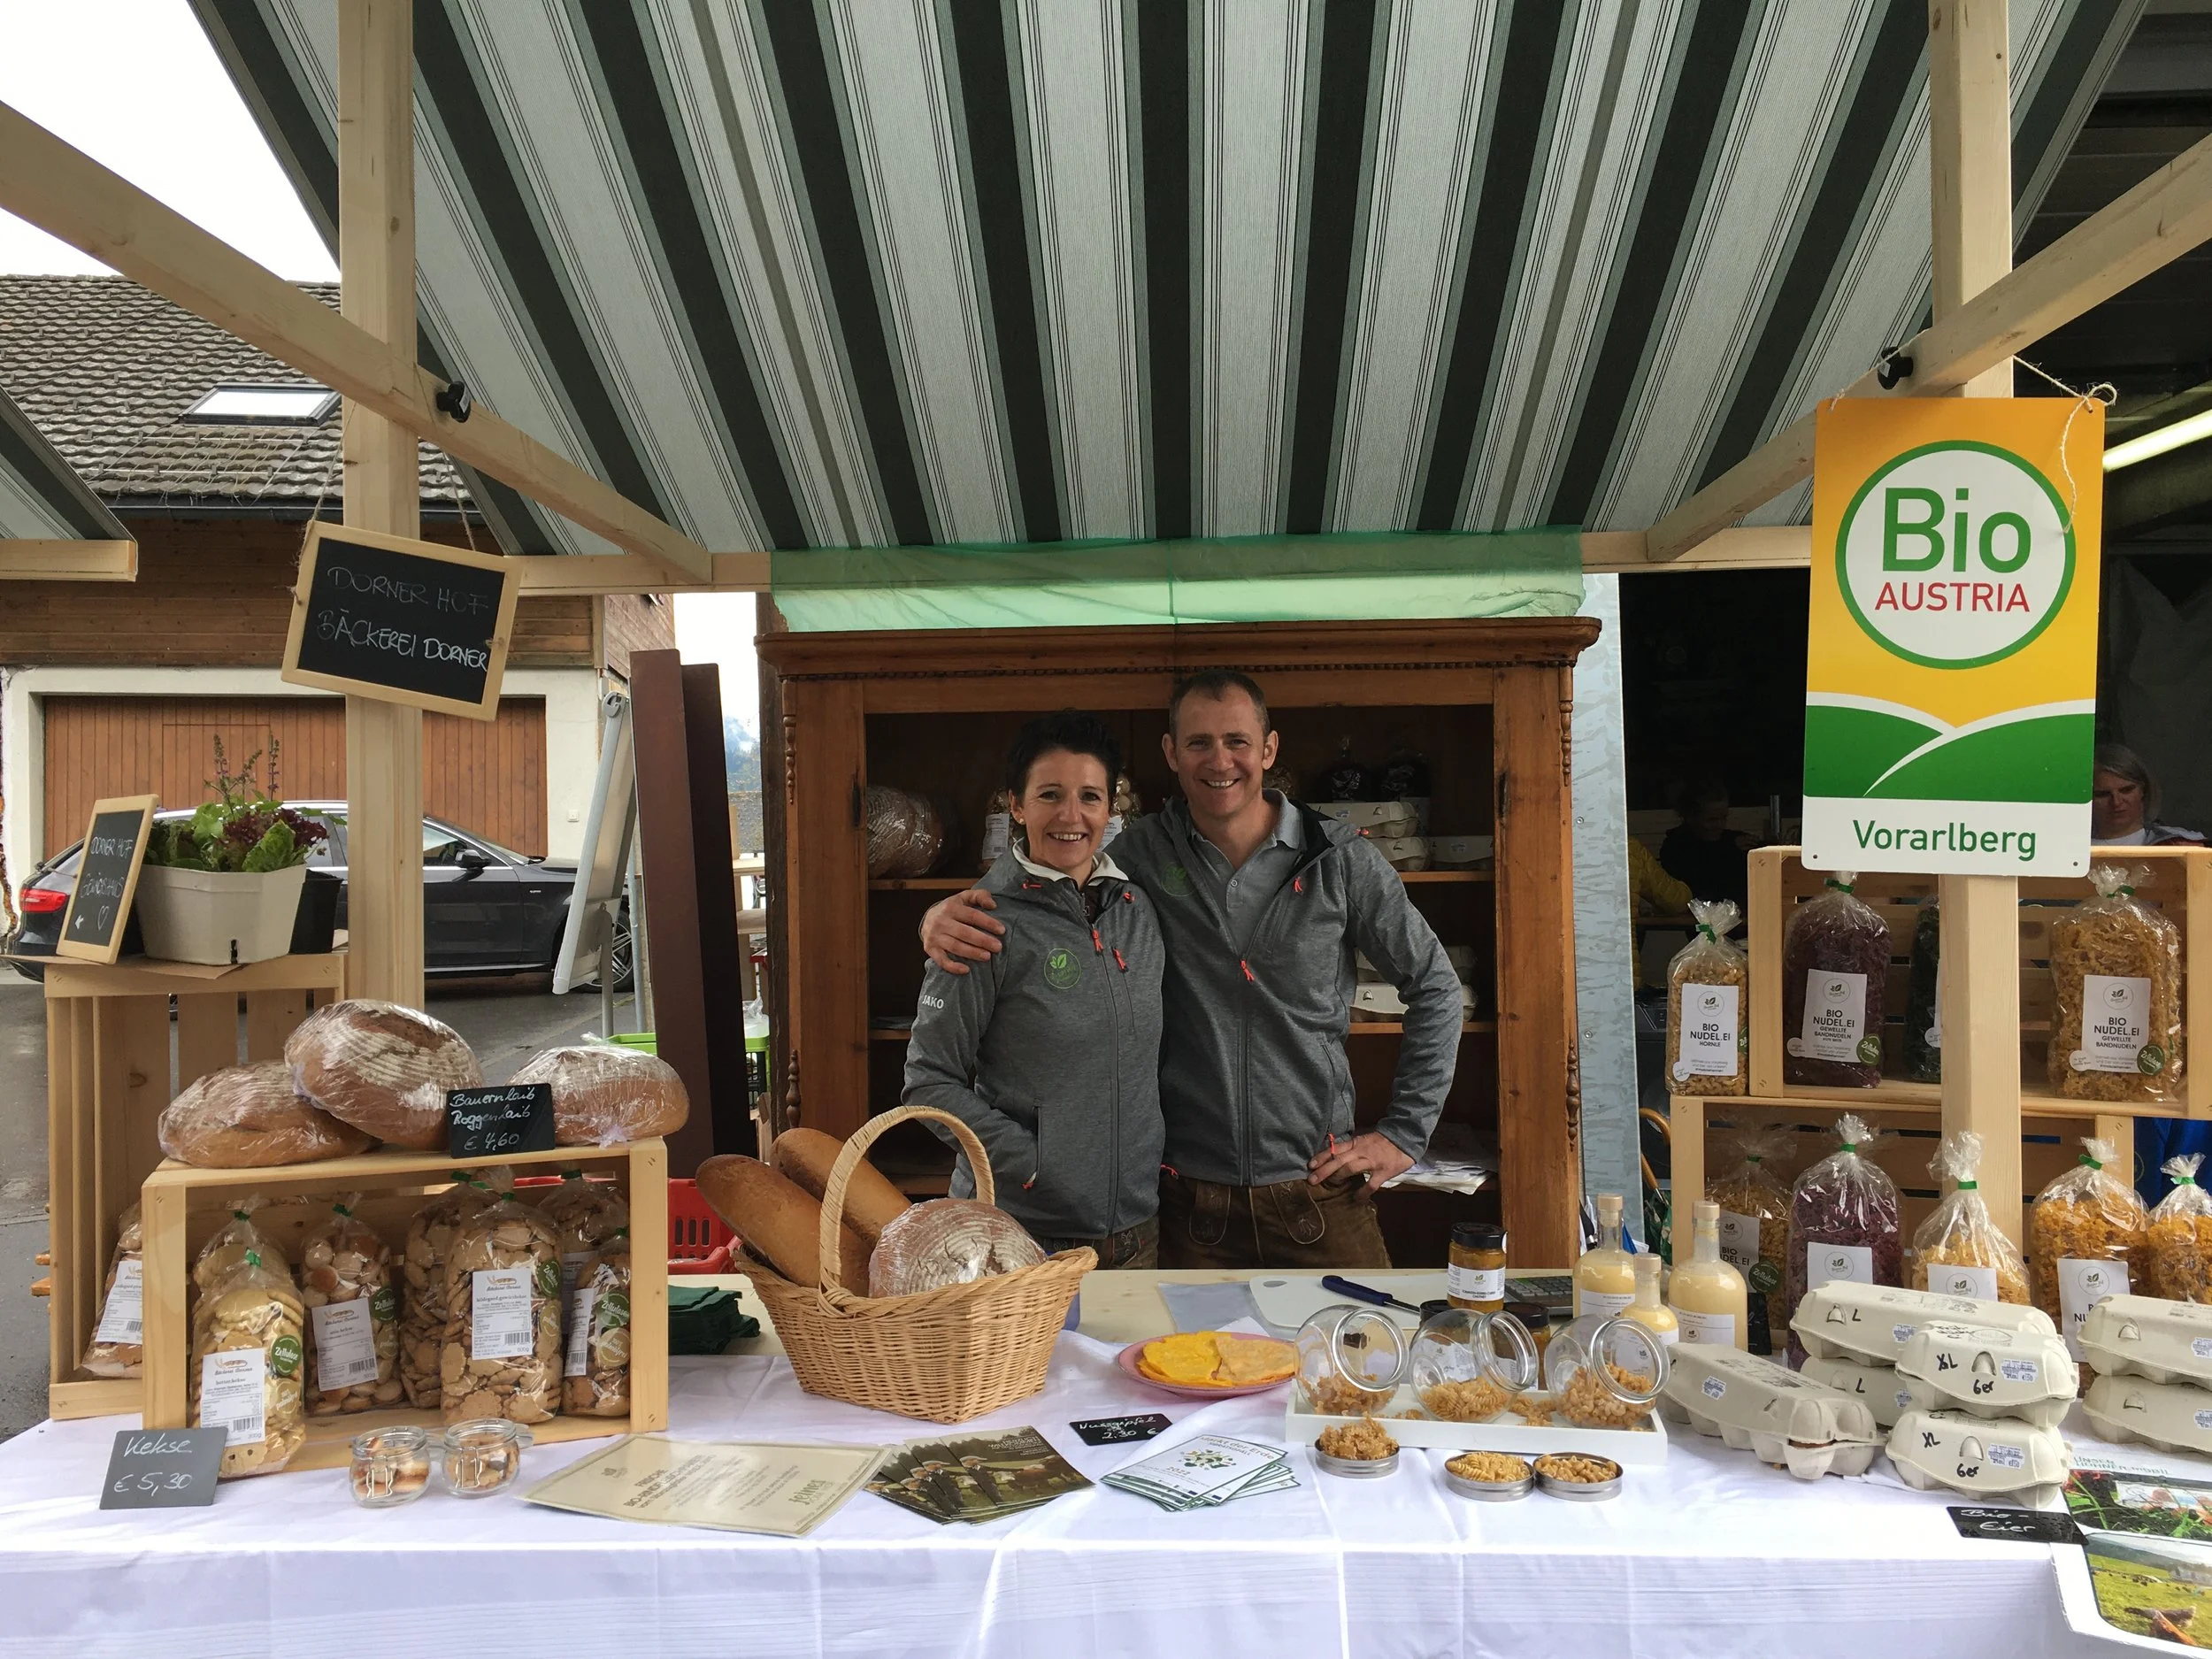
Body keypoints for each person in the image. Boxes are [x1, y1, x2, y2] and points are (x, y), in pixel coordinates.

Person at [922, 670, 1460, 1270]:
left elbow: (1436, 985)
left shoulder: (1339, 859)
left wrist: (1405, 1133)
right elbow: (1046, 877)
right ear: (1171, 754)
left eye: (1237, 740)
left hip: (1320, 1195)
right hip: (1184, 1211)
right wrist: (939, 915)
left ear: (1269, 749)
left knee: (1367, 1356)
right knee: (1162, 1364)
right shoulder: (1138, 858)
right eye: (1199, 743)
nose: (1220, 760)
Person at [902, 710, 1165, 1267]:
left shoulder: (1137, 910)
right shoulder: (980, 922)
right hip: (1022, 1236)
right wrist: (1035, 1161)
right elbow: (928, 1083)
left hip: (1135, 1233)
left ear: (1110, 808)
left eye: (1090, 797)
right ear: (1017, 806)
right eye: (1050, 795)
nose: (1071, 816)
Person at [1658, 777, 1753, 910]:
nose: (1720, 825)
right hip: (1699, 922)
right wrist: (1729, 852)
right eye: (1711, 820)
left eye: (1724, 817)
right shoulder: (1676, 848)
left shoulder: (1733, 840)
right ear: (1690, 818)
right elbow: (1698, 887)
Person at [2092, 743, 2203, 847]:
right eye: (2103, 794)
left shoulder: (2180, 846)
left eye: (2126, 790)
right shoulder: (2074, 848)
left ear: (2143, 790)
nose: (2116, 802)